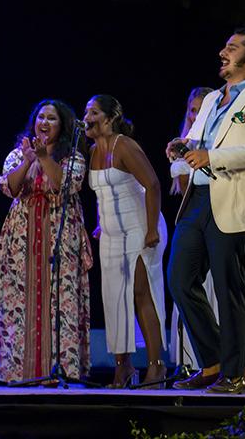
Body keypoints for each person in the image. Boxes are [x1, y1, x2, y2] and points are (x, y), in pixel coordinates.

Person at [167, 27, 245, 394]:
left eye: (232, 48)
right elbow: (200, 143)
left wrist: (211, 157)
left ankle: (234, 376)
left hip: (236, 203)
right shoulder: (212, 99)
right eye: (224, 46)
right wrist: (183, 146)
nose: (223, 52)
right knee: (179, 279)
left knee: (229, 287)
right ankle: (217, 362)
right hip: (199, 200)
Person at [0, 100, 92, 383]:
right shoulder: (20, 153)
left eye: (52, 118)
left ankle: (57, 370)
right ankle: (19, 371)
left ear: (63, 125)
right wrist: (28, 160)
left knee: (58, 300)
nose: (44, 122)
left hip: (59, 236)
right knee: (20, 298)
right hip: (22, 239)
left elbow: (64, 184)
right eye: (41, 117)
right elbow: (10, 186)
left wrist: (45, 157)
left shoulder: (72, 156)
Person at [83, 95, 167, 388]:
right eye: (86, 112)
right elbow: (101, 191)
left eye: (93, 112)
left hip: (140, 224)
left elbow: (153, 184)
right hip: (111, 233)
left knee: (141, 293)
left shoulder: (125, 146)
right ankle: (124, 367)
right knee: (114, 299)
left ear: (109, 118)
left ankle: (156, 367)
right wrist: (99, 223)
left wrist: (152, 229)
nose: (87, 117)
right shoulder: (93, 151)